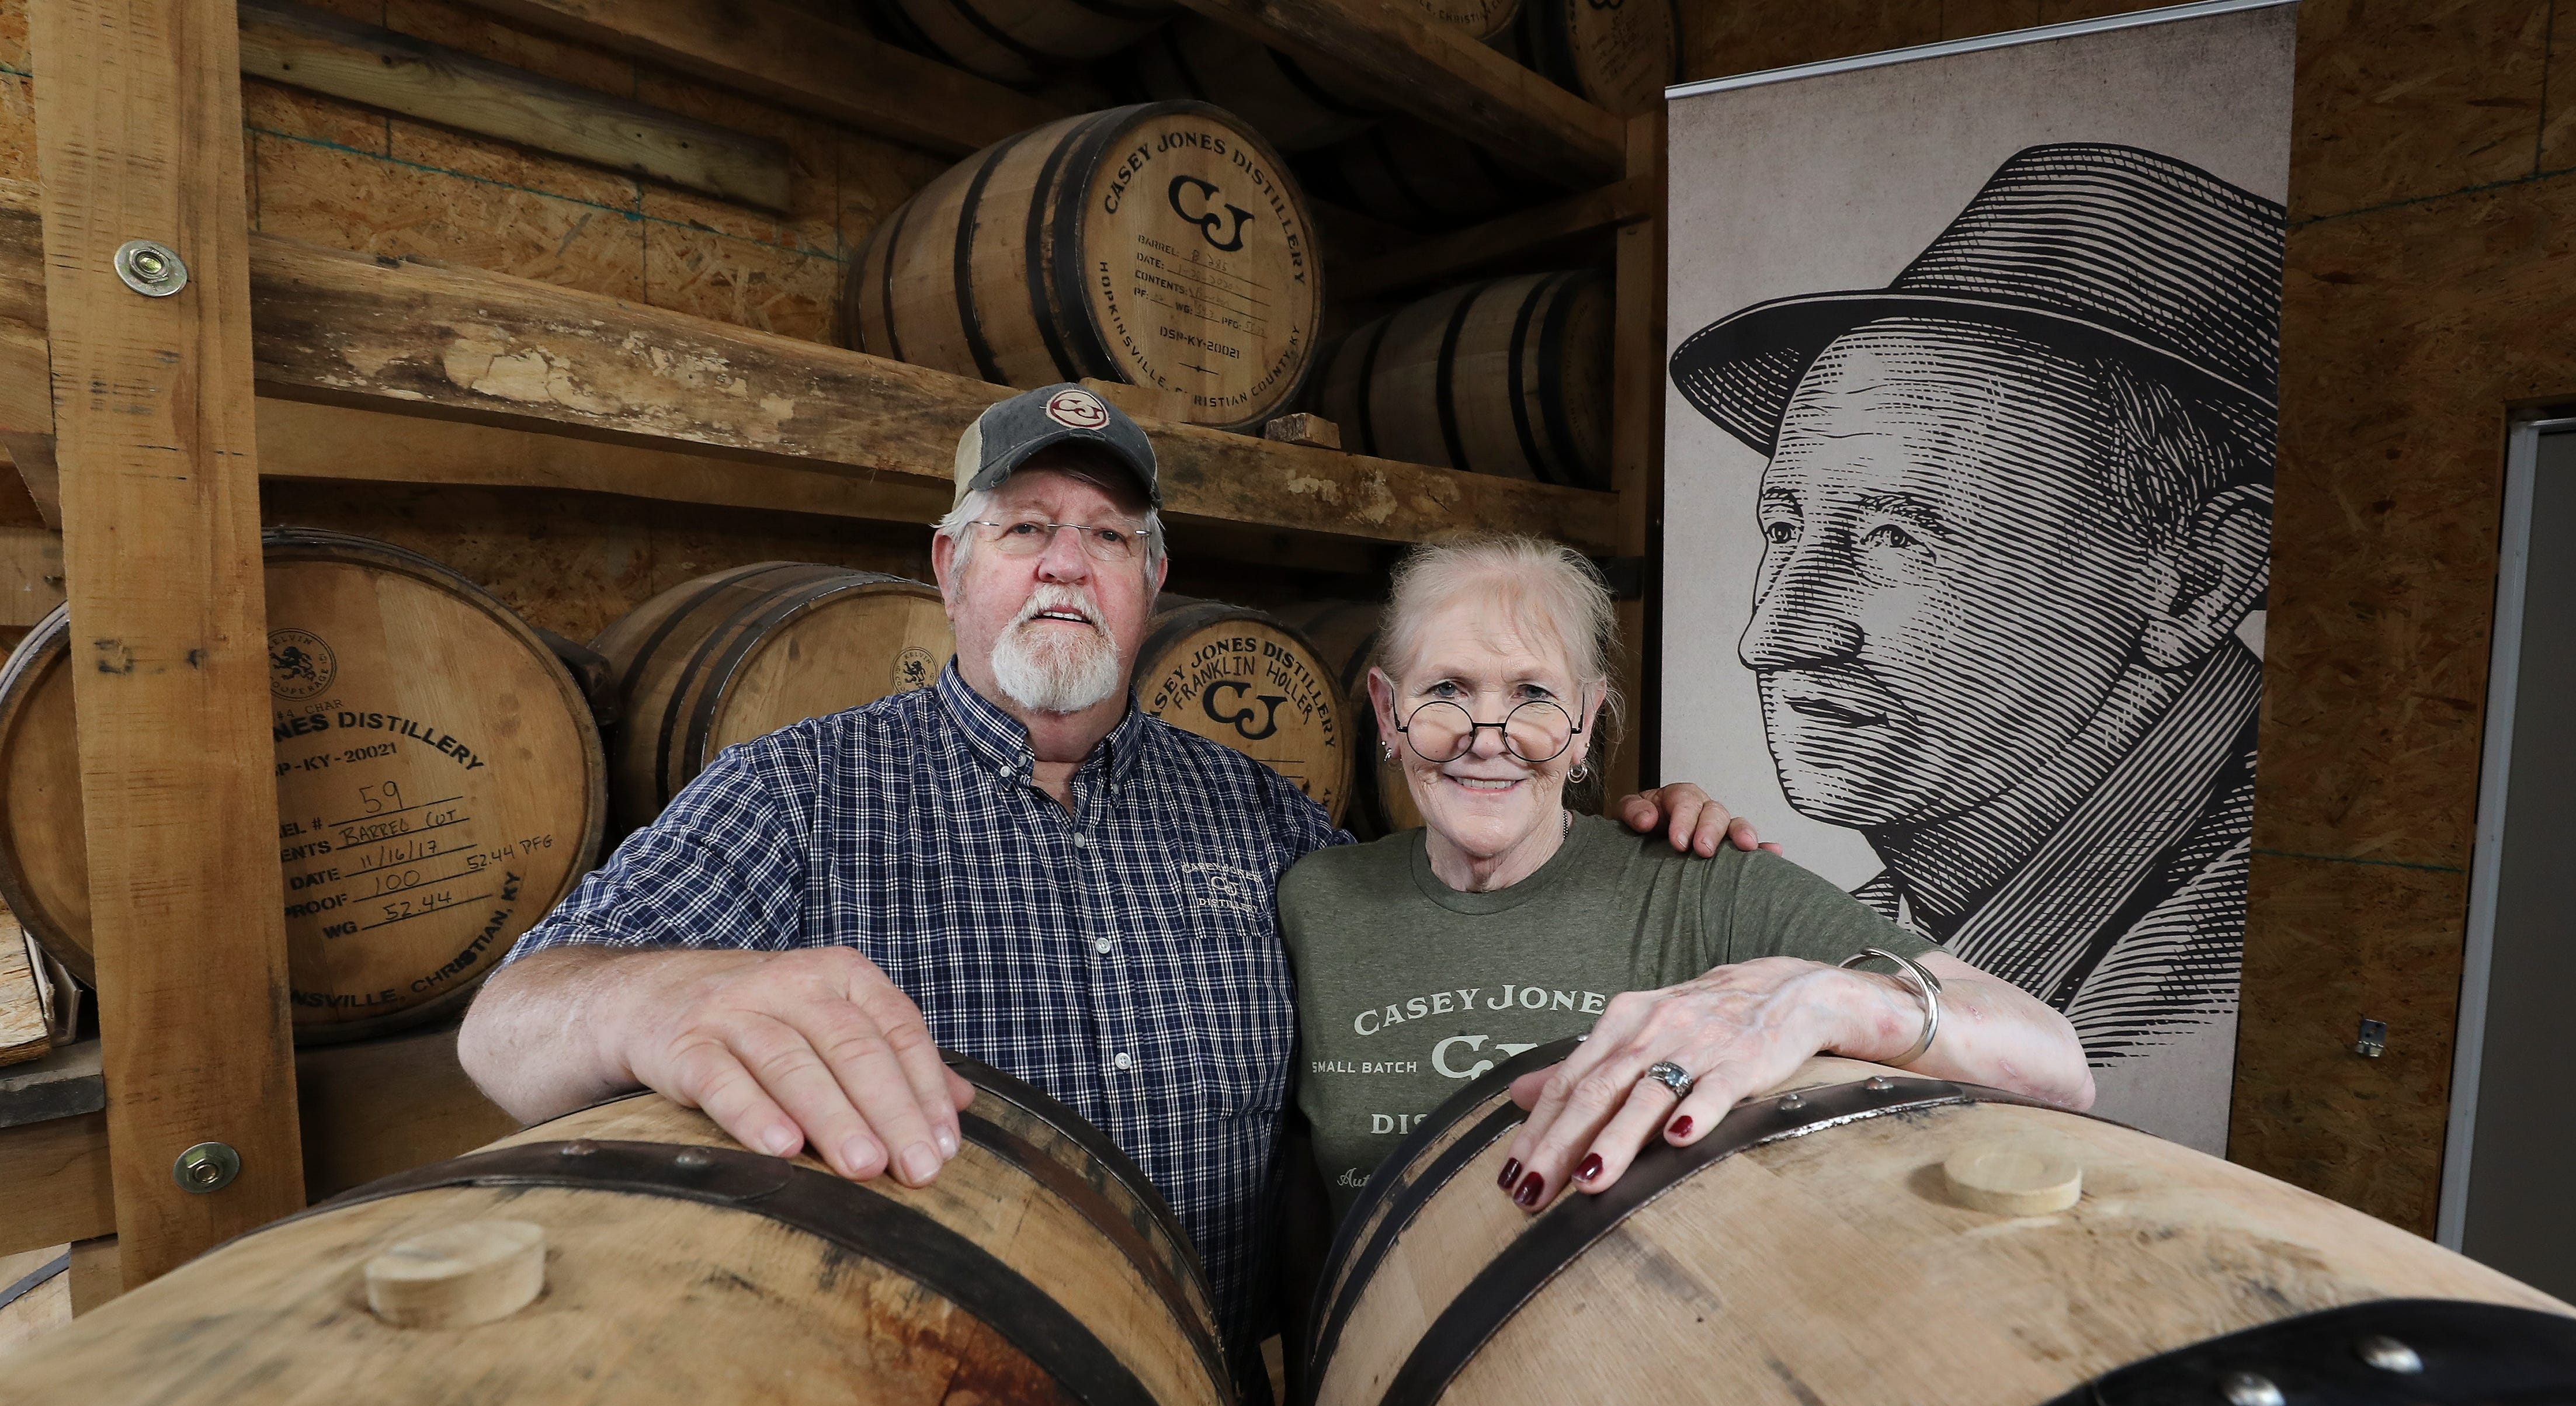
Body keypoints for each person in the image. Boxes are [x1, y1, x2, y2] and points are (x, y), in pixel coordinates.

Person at [457, 382, 1761, 1348]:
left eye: (1111, 537)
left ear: (1154, 580)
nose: (1069, 566)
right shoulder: (797, 791)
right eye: (1026, 529)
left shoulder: (1261, 814)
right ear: (951, 566)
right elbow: (505, 1031)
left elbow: (1448, 905)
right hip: (938, 1398)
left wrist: (1613, 836)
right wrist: (656, 999)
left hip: (1234, 1397)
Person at [1665, 143, 2280, 1136]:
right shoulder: (1895, 922)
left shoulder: (2209, 980)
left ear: (2196, 585)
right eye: (1786, 530)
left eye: (1896, 537)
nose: (1770, 631)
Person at [1277, 536, 2093, 1221]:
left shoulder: (1700, 884)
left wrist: (1822, 999)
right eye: (1447, 690)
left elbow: (2058, 1065)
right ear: (1388, 713)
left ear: (1586, 723)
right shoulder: (1317, 902)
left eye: (1533, 693)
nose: (1487, 738)